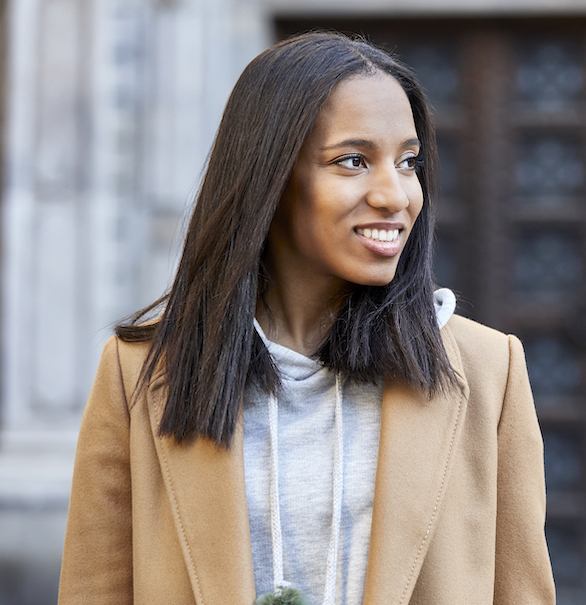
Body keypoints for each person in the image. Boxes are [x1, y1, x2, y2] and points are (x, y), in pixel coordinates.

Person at [57, 31, 555, 605]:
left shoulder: (489, 370)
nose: (396, 195)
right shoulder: (138, 375)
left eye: (408, 162)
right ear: (268, 177)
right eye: (353, 161)